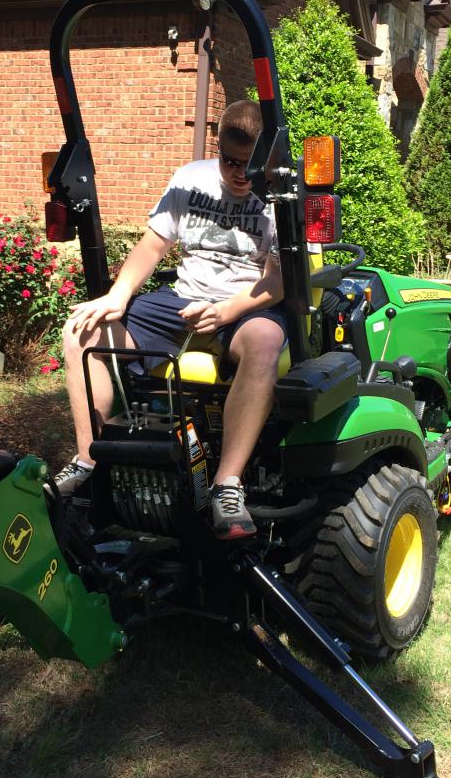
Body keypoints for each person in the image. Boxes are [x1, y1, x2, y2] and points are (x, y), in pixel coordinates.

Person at [55, 99, 286, 539]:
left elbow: (277, 284)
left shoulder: (281, 194)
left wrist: (226, 311)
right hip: (182, 300)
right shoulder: (189, 178)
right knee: (81, 334)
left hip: (245, 304)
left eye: (248, 166)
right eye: (229, 162)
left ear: (265, 159)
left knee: (264, 343)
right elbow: (152, 246)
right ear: (218, 149)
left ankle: (226, 485)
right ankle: (87, 460)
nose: (239, 174)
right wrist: (117, 297)